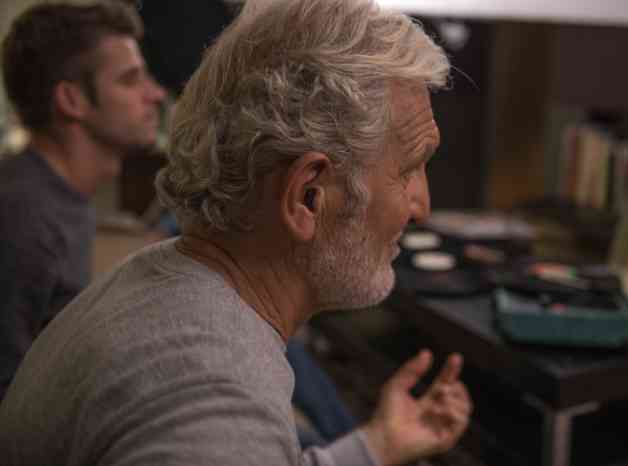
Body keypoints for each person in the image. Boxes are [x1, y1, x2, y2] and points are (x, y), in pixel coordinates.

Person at [0, 0, 472, 465]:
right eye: (409, 168)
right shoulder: (211, 401)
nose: (421, 207)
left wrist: (375, 447)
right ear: (308, 196)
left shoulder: (164, 279)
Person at [0, 0, 165, 400]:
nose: (156, 94)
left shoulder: (61, 197)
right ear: (72, 101)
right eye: (130, 80)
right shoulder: (24, 220)